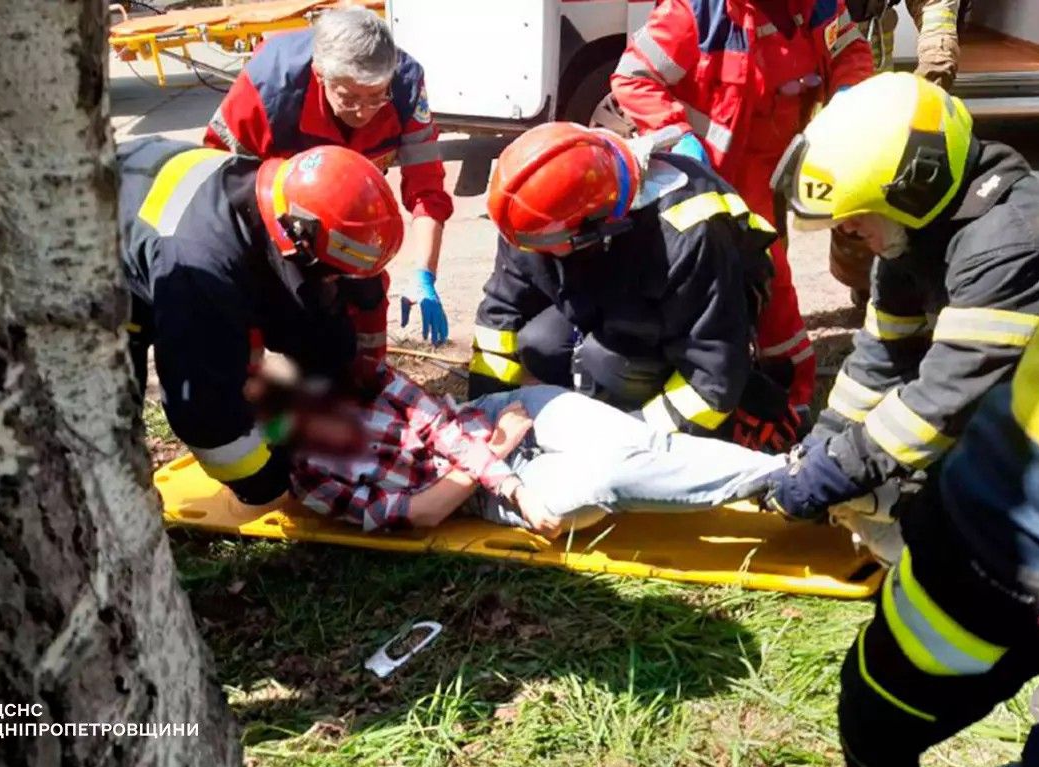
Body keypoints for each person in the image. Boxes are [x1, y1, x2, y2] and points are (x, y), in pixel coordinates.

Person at [762, 72, 1039, 521]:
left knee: (976, 510)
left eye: (855, 220)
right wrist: (823, 443)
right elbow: (882, 355)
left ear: (917, 182)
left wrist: (839, 470)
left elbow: (946, 399)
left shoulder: (1012, 245)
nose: (849, 235)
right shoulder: (916, 230)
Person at [825, 282, 1039, 767]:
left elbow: (950, 385)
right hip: (993, 524)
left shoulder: (1013, 237)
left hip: (1010, 543)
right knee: (873, 719)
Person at [470, 122, 802, 453]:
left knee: (605, 360)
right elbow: (502, 313)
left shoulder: (688, 234)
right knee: (541, 343)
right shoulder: (535, 218)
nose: (534, 255)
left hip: (703, 311)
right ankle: (603, 402)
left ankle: (734, 405)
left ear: (593, 228)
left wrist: (630, 439)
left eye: (548, 246)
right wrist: (484, 416)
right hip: (614, 285)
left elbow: (710, 373)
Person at [610, 0, 874, 411]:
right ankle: (774, 391)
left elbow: (850, 52)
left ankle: (781, 396)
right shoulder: (695, 13)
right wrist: (677, 134)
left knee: (765, 280)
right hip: (717, 175)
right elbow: (633, 77)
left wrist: (847, 94)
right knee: (755, 280)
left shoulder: (819, 6)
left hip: (781, 167)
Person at [118, 136, 403, 504]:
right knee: (105, 419)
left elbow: (306, 307)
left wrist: (340, 380)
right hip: (90, 266)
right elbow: (205, 415)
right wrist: (272, 481)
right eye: (335, 275)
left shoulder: (276, 203)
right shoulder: (204, 273)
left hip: (144, 207)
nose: (336, 284)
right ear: (298, 240)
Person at [260, 362, 786, 534]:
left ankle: (787, 478)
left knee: (641, 443)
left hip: (498, 420)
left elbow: (441, 429)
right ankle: (788, 480)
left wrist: (501, 448)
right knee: (610, 480)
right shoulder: (312, 481)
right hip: (485, 489)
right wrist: (503, 471)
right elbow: (423, 511)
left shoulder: (358, 375)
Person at [205, 7, 451, 344]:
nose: (364, 112)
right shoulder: (269, 86)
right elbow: (219, 184)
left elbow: (427, 188)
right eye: (349, 98)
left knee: (368, 290)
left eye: (377, 96)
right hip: (277, 218)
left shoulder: (406, 86)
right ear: (321, 76)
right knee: (282, 304)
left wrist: (424, 273)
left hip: (350, 213)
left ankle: (369, 373)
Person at [832, 0, 969, 305]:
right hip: (798, 60)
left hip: (870, 55)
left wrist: (934, 70)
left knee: (867, 180)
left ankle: (875, 284)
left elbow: (934, 6)